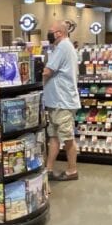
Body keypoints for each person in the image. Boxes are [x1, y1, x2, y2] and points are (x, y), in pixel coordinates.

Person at [42, 20, 80, 182]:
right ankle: (48, 169)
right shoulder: (64, 47)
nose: (49, 33)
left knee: (67, 138)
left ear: (59, 33)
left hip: (62, 101)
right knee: (54, 137)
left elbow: (47, 71)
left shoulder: (63, 46)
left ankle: (72, 171)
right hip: (56, 101)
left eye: (51, 30)